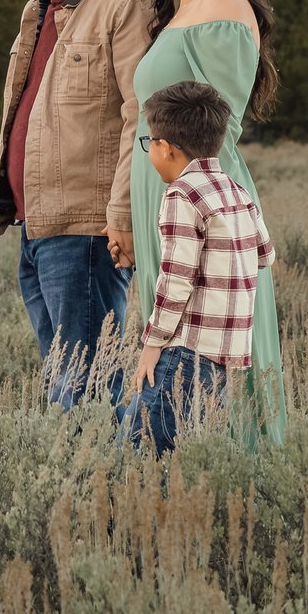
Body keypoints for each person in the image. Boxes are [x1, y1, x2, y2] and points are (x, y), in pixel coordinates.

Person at [0, 0, 155, 407]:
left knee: (90, 388)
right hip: (38, 228)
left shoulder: (126, 3)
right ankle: (86, 481)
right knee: (65, 382)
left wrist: (121, 215)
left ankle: (109, 483)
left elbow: (139, 121)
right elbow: (17, 120)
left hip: (87, 232)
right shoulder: (40, 11)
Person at [129, 0, 287, 447]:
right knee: (178, 338)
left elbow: (215, 126)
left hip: (198, 197)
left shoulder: (223, 8)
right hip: (165, 192)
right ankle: (178, 479)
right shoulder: (179, 10)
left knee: (202, 337)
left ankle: (235, 479)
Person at [120, 80, 272, 452]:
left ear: (166, 148)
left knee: (137, 448)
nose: (149, 151)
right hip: (223, 358)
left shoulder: (180, 195)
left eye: (149, 143)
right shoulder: (236, 190)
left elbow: (176, 282)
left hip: (183, 351)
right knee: (188, 454)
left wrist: (152, 346)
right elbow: (265, 254)